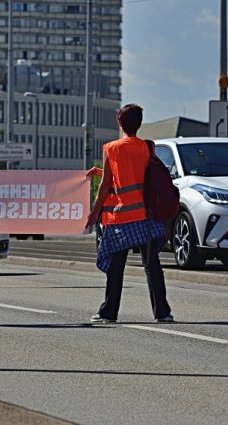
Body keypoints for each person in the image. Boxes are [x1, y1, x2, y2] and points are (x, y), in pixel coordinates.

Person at [85, 103, 173, 324]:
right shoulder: (147, 147)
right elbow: (137, 177)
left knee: (116, 268)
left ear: (119, 123)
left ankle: (109, 312)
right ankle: (163, 313)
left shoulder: (111, 149)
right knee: (152, 265)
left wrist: (94, 214)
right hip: (147, 216)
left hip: (121, 217)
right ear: (139, 124)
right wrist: (101, 171)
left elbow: (107, 186)